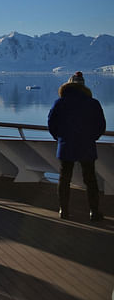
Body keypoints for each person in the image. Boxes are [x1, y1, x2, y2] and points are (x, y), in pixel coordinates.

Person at [48, 71, 106, 221]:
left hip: (66, 145)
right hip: (87, 146)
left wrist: (60, 137)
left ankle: (64, 211)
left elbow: (52, 123)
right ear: (83, 86)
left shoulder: (60, 102)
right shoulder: (93, 103)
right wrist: (91, 138)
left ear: (68, 85)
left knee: (64, 178)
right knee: (90, 180)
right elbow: (101, 125)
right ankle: (94, 212)